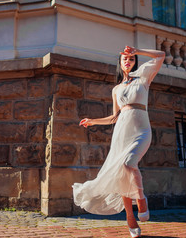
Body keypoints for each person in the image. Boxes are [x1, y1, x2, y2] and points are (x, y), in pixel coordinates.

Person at [72, 46, 165, 237]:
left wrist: (137, 50)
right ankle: (130, 219)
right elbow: (114, 117)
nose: (128, 61)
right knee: (122, 173)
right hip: (122, 132)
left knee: (129, 163)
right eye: (125, 59)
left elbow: (161, 55)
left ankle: (141, 199)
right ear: (120, 63)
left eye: (131, 59)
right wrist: (93, 121)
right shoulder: (116, 89)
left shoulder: (144, 77)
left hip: (142, 131)